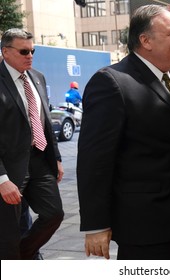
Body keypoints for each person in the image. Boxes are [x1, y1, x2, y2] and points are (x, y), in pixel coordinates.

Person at [77, 4, 170, 260]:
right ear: (145, 40)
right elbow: (94, 160)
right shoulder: (111, 82)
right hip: (142, 223)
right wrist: (96, 224)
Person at [0, 28, 64, 260]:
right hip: (8, 168)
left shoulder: (37, 77)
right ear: (6, 52)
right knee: (7, 233)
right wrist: (2, 179)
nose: (30, 55)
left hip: (39, 160)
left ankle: (24, 254)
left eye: (33, 51)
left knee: (54, 214)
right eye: (24, 51)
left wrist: (55, 157)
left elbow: (44, 120)